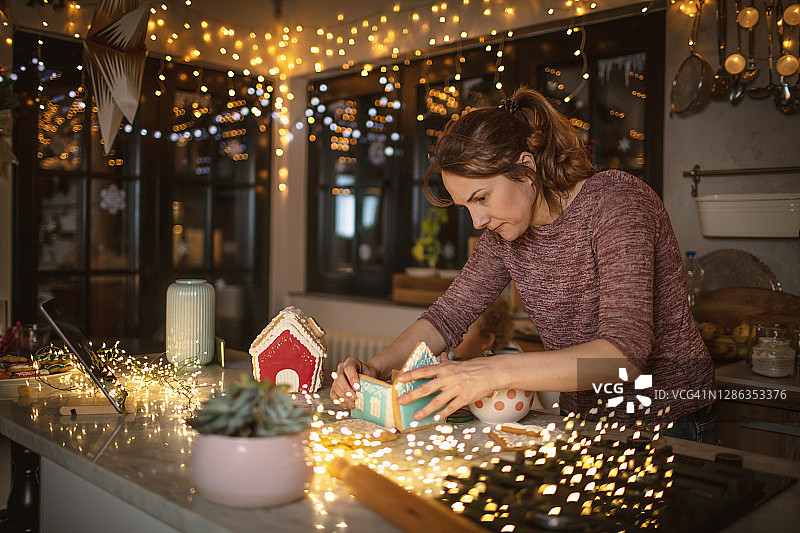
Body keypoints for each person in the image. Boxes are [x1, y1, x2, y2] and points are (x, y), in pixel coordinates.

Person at [331, 86, 717, 443]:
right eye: (467, 206)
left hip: (671, 420)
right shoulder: (504, 234)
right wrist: (375, 368)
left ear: (526, 168)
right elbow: (445, 319)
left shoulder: (616, 202)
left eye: (482, 197)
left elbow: (625, 357)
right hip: (584, 420)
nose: (477, 221)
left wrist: (492, 372)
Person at [446, 297, 520, 361]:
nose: (451, 336)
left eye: (460, 331)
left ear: (486, 339)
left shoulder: (508, 360)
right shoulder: (453, 354)